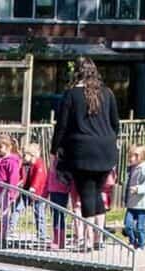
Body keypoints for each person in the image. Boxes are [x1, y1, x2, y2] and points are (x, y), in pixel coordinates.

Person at [50, 58, 121, 221]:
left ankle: (88, 241)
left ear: (76, 73)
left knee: (87, 193)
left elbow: (61, 126)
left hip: (82, 151)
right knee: (97, 192)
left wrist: (54, 151)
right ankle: (98, 238)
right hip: (106, 150)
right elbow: (115, 124)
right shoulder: (107, 93)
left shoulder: (71, 94)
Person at [122, 144, 145, 252]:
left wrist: (138, 189)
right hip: (132, 204)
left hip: (142, 204)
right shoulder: (132, 169)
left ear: (139, 157)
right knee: (128, 225)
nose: (129, 158)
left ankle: (141, 245)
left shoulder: (144, 169)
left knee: (139, 227)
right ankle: (133, 242)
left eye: (131, 156)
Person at [0, 134, 24, 241]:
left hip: (6, 191)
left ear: (8, 147)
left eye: (1, 147)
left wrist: (12, 193)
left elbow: (14, 178)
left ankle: (2, 235)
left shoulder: (12, 161)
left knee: (4, 214)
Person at [21, 143, 50, 242]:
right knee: (21, 209)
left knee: (39, 213)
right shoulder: (31, 165)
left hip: (39, 194)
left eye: (26, 155)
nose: (24, 157)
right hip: (31, 193)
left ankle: (42, 234)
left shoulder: (39, 164)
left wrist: (33, 187)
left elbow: (38, 178)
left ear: (31, 155)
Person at [44, 154, 74, 249]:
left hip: (61, 191)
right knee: (55, 215)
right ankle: (57, 239)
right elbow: (49, 177)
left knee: (59, 215)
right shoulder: (53, 162)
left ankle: (60, 241)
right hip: (53, 190)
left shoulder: (64, 163)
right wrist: (45, 192)